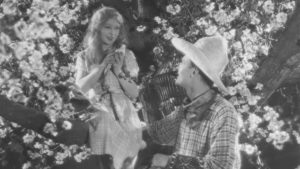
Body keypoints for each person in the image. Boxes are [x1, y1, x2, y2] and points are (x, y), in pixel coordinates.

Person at [147, 35, 241, 169]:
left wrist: (169, 161)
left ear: (194, 72)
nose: (177, 67)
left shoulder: (223, 111)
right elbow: (160, 136)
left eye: (183, 62)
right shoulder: (188, 105)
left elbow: (221, 166)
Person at [75, 7, 145, 169]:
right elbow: (80, 88)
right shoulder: (84, 57)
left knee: (126, 160)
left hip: (125, 111)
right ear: (97, 28)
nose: (112, 33)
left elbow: (134, 93)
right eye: (108, 27)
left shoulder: (125, 55)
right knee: (103, 123)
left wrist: (118, 70)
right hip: (99, 110)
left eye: (116, 28)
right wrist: (101, 66)